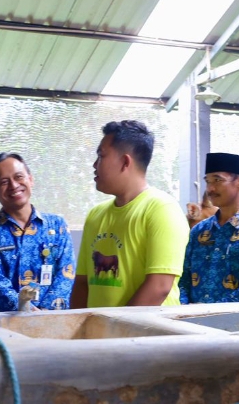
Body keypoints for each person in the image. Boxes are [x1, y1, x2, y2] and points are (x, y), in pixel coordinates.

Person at [72, 120, 188, 308]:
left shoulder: (162, 209)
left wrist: (115, 332)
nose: (94, 165)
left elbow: (159, 287)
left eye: (101, 156)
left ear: (125, 162)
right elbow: (83, 283)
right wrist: (78, 330)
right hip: (99, 335)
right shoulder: (95, 215)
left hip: (148, 334)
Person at [0, 152, 75, 312]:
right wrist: (27, 311)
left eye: (19, 177)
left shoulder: (57, 226)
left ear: (30, 179)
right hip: (8, 325)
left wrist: (46, 312)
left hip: (55, 322)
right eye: (4, 182)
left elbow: (65, 275)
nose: (14, 185)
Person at [179, 153, 239, 304]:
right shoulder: (199, 231)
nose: (210, 188)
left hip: (237, 323)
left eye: (217, 180)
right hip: (191, 322)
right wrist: (184, 309)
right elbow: (184, 280)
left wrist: (211, 314)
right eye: (207, 181)